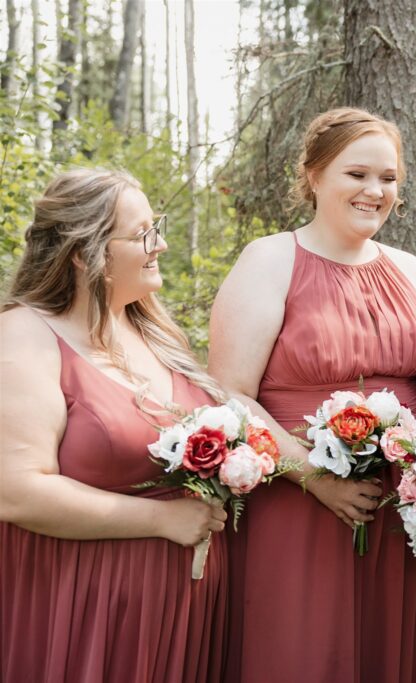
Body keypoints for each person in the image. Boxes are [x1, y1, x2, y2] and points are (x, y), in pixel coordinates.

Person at [208, 107, 416, 682]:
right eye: (356, 174)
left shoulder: (411, 270)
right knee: (301, 653)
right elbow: (230, 393)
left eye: (388, 179)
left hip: (398, 511)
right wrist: (315, 479)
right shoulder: (269, 260)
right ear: (314, 176)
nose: (375, 191)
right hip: (297, 504)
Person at [0, 168, 229, 682]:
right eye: (144, 233)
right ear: (85, 253)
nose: (162, 244)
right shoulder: (25, 336)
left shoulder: (151, 329)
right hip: (83, 605)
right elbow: (14, 491)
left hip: (183, 611)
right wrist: (161, 521)